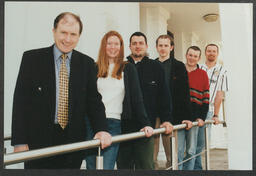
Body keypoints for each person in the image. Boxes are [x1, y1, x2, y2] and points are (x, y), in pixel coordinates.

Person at [11, 12, 112, 169]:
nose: (67, 39)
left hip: (73, 144)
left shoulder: (87, 64)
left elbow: (94, 101)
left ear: (79, 36)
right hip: (38, 144)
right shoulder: (32, 59)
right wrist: (20, 141)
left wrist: (102, 129)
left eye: (73, 34)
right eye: (63, 32)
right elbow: (20, 101)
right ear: (54, 31)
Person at [84, 31, 153, 169]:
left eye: (117, 44)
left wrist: (145, 123)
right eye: (109, 43)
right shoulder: (94, 67)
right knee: (91, 167)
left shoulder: (128, 68)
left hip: (113, 124)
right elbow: (88, 98)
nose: (113, 47)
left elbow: (136, 98)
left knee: (107, 166)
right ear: (104, 46)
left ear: (121, 47)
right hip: (92, 124)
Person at [117, 32, 173, 170]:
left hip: (146, 127)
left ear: (147, 46)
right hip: (123, 129)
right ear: (129, 46)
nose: (137, 46)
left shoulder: (156, 67)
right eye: (134, 43)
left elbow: (164, 96)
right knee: (124, 167)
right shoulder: (121, 67)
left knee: (146, 167)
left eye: (141, 43)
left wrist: (166, 119)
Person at [154, 34, 192, 169]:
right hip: (153, 114)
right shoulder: (151, 65)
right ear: (156, 47)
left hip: (171, 115)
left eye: (166, 45)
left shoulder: (179, 66)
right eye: (160, 45)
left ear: (171, 47)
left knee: (171, 155)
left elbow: (184, 93)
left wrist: (187, 117)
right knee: (151, 156)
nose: (163, 49)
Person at [194, 44, 228, 170]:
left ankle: (197, 168)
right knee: (191, 143)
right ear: (205, 53)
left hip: (208, 110)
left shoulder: (222, 71)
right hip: (193, 109)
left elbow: (219, 94)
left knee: (201, 142)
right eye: (209, 51)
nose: (211, 53)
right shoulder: (198, 67)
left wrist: (216, 114)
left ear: (217, 54)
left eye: (214, 51)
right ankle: (195, 168)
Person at [180, 46, 209, 170]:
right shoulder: (179, 71)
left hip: (194, 118)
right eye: (190, 55)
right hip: (179, 117)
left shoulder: (203, 74)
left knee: (191, 150)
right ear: (186, 55)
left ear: (199, 58)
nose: (192, 58)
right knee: (178, 151)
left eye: (195, 56)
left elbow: (205, 98)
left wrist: (201, 118)